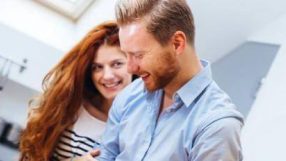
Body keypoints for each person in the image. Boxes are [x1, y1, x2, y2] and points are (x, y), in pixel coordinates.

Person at [97, 0, 245, 160]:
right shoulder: (129, 96)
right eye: (127, 55)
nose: (130, 69)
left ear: (177, 44)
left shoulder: (217, 127)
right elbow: (105, 155)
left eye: (138, 55)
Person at [19, 21, 133, 161]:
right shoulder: (71, 105)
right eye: (97, 67)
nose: (107, 76)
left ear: (133, 63)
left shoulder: (139, 124)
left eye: (117, 64)